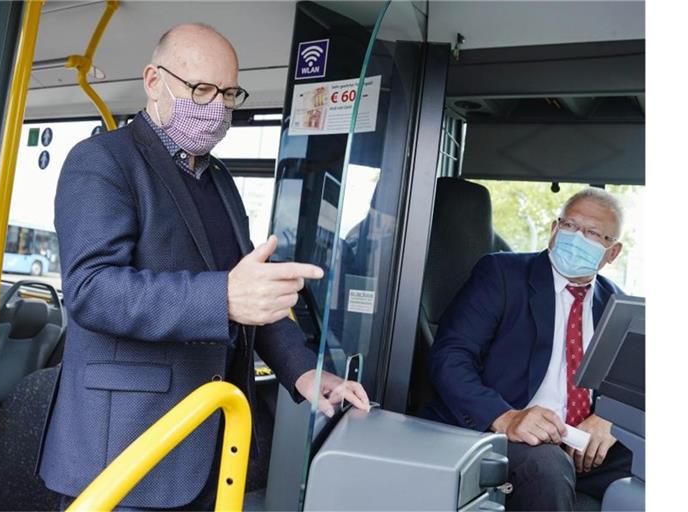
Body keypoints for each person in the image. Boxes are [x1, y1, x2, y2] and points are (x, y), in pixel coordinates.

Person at [37, 23, 370, 511]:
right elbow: (92, 290)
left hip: (211, 440)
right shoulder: (102, 162)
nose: (217, 106)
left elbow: (248, 291)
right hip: (124, 448)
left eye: (229, 93)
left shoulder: (219, 180)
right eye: (202, 89)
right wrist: (223, 298)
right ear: (154, 81)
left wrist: (304, 373)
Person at [421, 188, 633, 510]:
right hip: (510, 431)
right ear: (553, 229)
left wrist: (609, 418)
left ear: (612, 252)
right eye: (570, 226)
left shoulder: (616, 302)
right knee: (546, 465)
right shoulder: (502, 274)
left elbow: (634, 383)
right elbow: (449, 357)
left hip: (583, 446)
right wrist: (506, 418)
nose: (576, 238)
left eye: (591, 233)